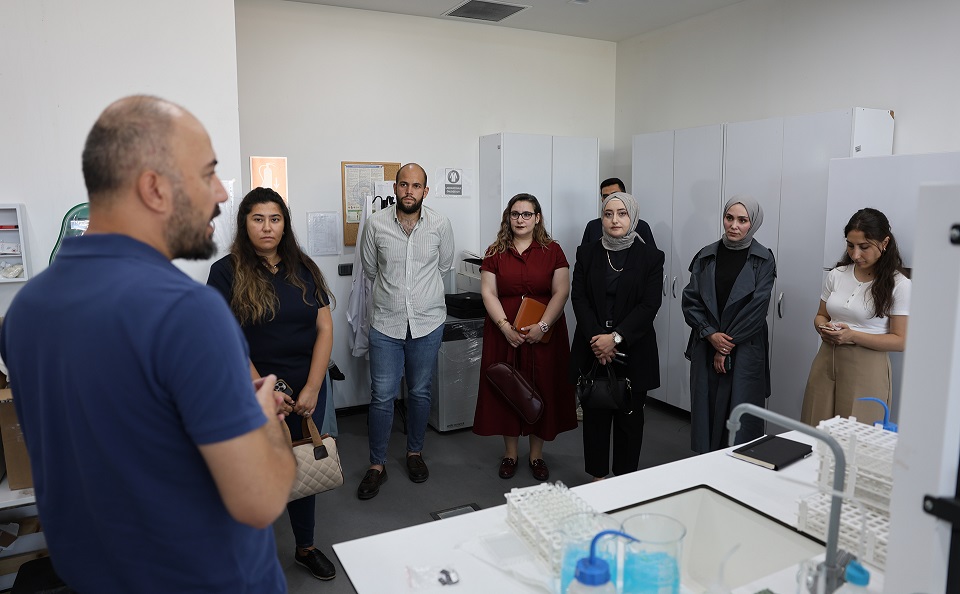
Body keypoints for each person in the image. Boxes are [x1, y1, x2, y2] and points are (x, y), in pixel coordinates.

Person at [0, 96, 294, 592]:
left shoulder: (26, 311)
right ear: (154, 188)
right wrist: (264, 421)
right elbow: (260, 500)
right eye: (207, 174)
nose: (221, 193)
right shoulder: (190, 313)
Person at [207, 187, 337, 581]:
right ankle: (249, 556)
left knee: (302, 464)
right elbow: (225, 338)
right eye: (258, 219)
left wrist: (313, 386)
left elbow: (324, 327)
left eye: (275, 219)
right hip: (252, 391)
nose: (267, 227)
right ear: (245, 224)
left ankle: (305, 547)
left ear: (285, 225)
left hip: (306, 390)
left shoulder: (303, 267)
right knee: (252, 475)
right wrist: (267, 389)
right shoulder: (225, 272)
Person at [357, 163, 455, 499]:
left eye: (416, 186)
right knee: (382, 395)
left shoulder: (440, 224)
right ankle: (377, 464)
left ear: (425, 191)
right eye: (403, 184)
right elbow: (371, 270)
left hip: (427, 323)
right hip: (386, 322)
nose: (409, 191)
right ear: (395, 188)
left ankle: (415, 452)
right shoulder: (376, 224)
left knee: (420, 392)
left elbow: (444, 266)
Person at [474, 193, 578, 481]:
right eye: (515, 214)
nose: (520, 220)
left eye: (527, 214)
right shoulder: (495, 251)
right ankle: (510, 454)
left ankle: (536, 455)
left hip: (544, 334)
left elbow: (562, 291)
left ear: (537, 218)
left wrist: (542, 326)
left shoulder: (553, 250)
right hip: (504, 332)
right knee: (507, 388)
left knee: (541, 389)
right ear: (508, 218)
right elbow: (488, 292)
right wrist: (505, 327)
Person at [570, 192, 665, 479]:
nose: (615, 220)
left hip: (634, 348)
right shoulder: (587, 253)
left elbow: (649, 305)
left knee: (630, 422)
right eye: (608, 214)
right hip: (593, 347)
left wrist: (615, 338)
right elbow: (579, 298)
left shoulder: (651, 257)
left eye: (622, 214)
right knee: (595, 419)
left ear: (633, 217)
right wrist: (599, 339)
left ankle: (625, 483)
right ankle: (597, 480)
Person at [682, 195, 776, 453]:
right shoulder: (706, 255)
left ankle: (739, 468)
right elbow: (691, 300)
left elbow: (757, 309)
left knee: (740, 416)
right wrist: (710, 334)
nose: (734, 225)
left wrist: (725, 346)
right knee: (706, 409)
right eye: (729, 218)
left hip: (745, 346)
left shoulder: (763, 259)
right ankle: (705, 465)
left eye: (742, 220)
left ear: (753, 223)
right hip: (706, 343)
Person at [800, 208, 910, 427]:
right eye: (850, 245)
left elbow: (900, 341)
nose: (855, 254)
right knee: (814, 428)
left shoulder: (899, 284)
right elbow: (821, 315)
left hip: (867, 367)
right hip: (825, 358)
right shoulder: (837, 274)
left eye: (864, 247)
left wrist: (852, 336)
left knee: (855, 435)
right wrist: (823, 328)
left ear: (884, 242)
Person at [581, 177, 656, 247]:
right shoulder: (592, 226)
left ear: (625, 196)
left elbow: (652, 254)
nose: (610, 199)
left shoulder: (642, 226)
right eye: (606, 196)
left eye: (615, 195)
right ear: (602, 199)